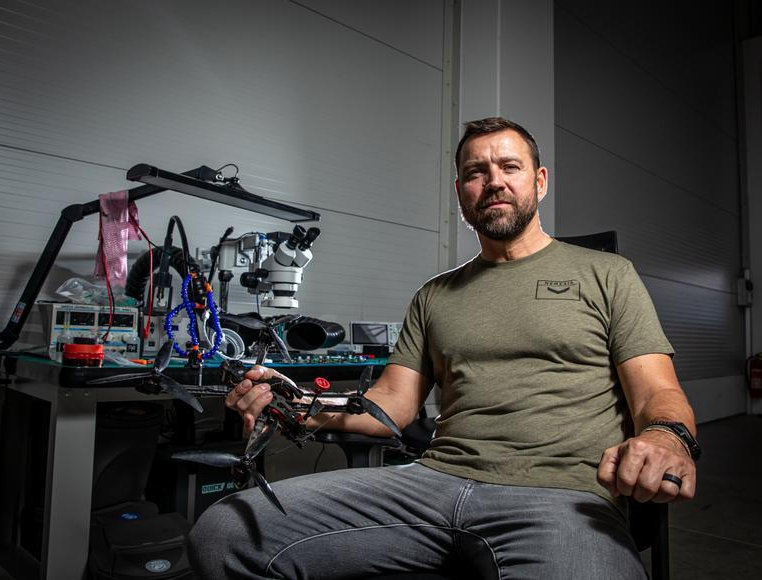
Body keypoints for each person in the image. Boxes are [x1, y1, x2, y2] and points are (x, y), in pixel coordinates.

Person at [188, 117, 698, 579]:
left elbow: (657, 393)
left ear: (539, 182)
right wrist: (294, 405)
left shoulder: (607, 274)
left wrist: (667, 439)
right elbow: (390, 405)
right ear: (461, 193)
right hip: (432, 485)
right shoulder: (434, 295)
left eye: (510, 167)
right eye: (476, 172)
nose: (493, 181)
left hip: (557, 493)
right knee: (226, 533)